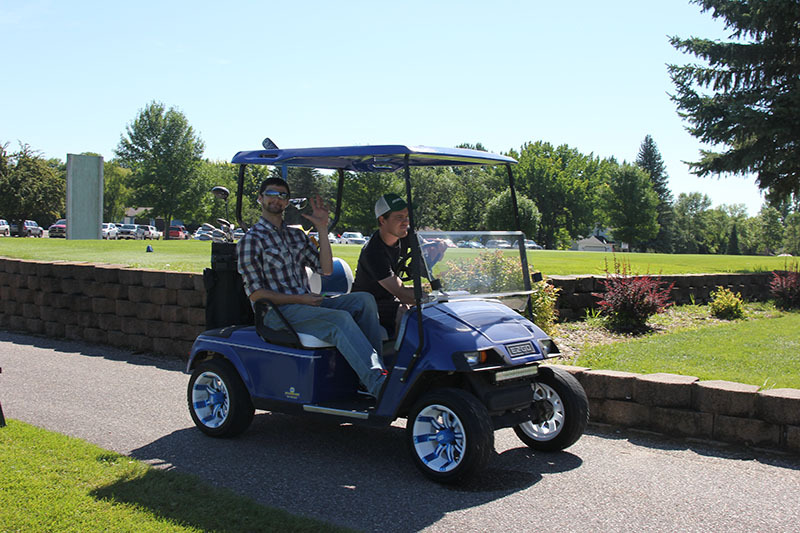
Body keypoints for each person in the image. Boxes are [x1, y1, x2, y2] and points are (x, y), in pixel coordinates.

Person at [237, 177, 386, 397]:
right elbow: (256, 294)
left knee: (364, 300)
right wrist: (300, 299)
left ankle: (375, 374)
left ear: (287, 202)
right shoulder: (251, 240)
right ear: (260, 198)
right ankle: (378, 386)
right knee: (339, 320)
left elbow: (326, 269)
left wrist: (322, 229)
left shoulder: (296, 236)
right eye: (271, 194)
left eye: (282, 195)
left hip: (305, 305)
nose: (277, 199)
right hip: (276, 313)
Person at [352, 193, 447, 337]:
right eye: (399, 217)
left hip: (389, 298)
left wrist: (437, 249)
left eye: (406, 217)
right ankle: (402, 352)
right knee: (403, 312)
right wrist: (432, 299)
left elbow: (426, 254)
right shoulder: (373, 252)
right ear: (382, 220)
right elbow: (401, 292)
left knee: (424, 305)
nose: (406, 222)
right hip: (366, 304)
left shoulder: (406, 235)